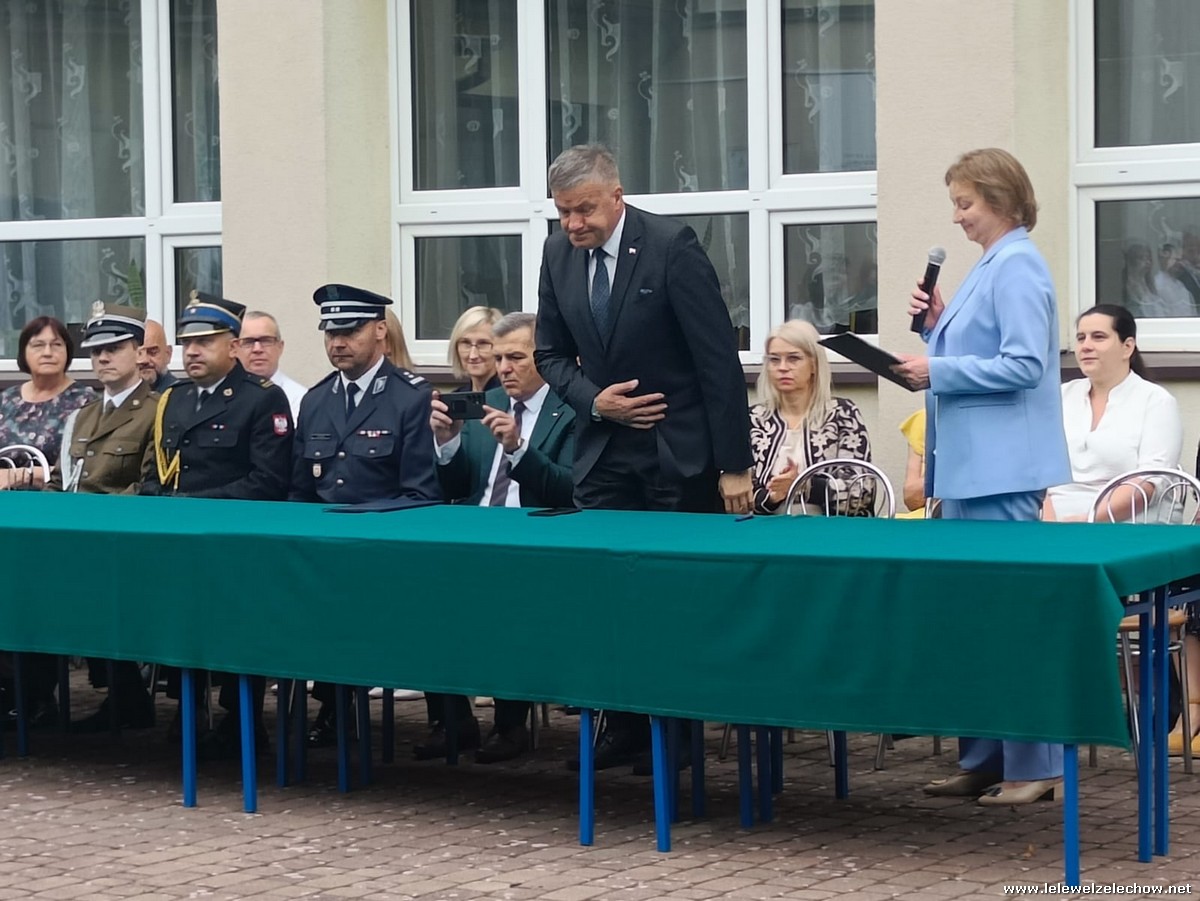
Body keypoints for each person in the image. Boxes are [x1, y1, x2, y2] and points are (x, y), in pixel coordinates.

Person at [534, 143, 753, 771]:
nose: (573, 224)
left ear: (616, 196)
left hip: (675, 452)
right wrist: (595, 401)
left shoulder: (670, 246)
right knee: (606, 589)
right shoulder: (557, 254)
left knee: (668, 594)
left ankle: (677, 733)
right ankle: (624, 724)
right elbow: (549, 354)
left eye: (584, 210)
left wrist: (733, 465)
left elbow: (717, 359)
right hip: (603, 453)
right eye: (563, 212)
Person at [897, 147, 1071, 806]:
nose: (958, 216)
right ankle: (985, 758)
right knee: (972, 621)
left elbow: (1025, 364)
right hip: (971, 470)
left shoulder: (1019, 264)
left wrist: (936, 368)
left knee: (1009, 620)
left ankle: (1034, 766)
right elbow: (984, 352)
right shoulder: (991, 265)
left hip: (1001, 471)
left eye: (965, 202)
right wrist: (938, 327)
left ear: (999, 199)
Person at [141, 292, 294, 758]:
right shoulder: (174, 399)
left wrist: (193, 506)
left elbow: (268, 481)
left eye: (204, 342)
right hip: (179, 542)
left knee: (235, 630)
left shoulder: (261, 399)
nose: (192, 352)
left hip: (234, 542)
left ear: (233, 346)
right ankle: (188, 708)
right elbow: (158, 472)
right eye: (187, 343)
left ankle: (240, 717)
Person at [290, 283, 441, 748]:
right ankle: (330, 708)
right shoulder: (316, 399)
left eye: (350, 331)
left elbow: (421, 492)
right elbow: (300, 490)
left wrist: (359, 526)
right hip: (324, 550)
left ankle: (346, 709)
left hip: (385, 547)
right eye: (330, 333)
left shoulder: (410, 396)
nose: (338, 342)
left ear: (379, 331)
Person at [424, 311, 576, 763]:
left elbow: (571, 489)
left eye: (516, 358)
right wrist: (447, 443)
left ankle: (510, 726)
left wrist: (519, 450)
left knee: (511, 600)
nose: (504, 368)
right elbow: (457, 487)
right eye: (499, 358)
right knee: (423, 592)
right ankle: (454, 721)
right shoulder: (486, 402)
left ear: (544, 359)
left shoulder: (569, 409)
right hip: (475, 536)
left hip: (537, 541)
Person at [45, 303, 159, 731]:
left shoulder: (157, 410)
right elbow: (62, 481)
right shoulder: (82, 416)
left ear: (139, 352)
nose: (103, 358)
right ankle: (29, 696)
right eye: (96, 351)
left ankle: (127, 695)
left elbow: (149, 484)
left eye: (114, 348)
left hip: (121, 541)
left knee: (88, 587)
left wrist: (93, 523)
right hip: (76, 541)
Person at [1044, 305, 1181, 523]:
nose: (1086, 346)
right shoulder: (1061, 396)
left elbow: (1149, 481)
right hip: (1055, 521)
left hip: (1126, 524)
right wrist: (1048, 521)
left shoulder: (1156, 401)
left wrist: (1088, 520)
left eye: (1098, 337)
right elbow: (1038, 470)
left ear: (1127, 347)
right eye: (1081, 338)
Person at [749, 319, 872, 516]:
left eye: (793, 358)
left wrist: (804, 486)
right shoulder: (755, 419)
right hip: (765, 528)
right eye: (774, 359)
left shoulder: (842, 414)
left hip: (830, 530)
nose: (782, 367)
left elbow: (861, 492)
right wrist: (773, 497)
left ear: (814, 364)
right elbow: (736, 493)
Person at [0, 316, 94, 490]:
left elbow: (88, 469)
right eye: (38, 345)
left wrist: (22, 475)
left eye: (56, 345)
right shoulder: (6, 400)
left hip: (55, 499)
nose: (48, 352)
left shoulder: (86, 403)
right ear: (23, 353)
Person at [236, 310, 307, 419]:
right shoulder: (221, 396)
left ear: (280, 347)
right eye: (248, 342)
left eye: (266, 341)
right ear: (235, 349)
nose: (257, 349)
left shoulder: (300, 399)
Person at [448, 306, 503, 393]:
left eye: (483, 343)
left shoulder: (512, 397)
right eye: (466, 343)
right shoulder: (456, 397)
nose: (473, 355)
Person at [138, 319, 178, 392]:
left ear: (168, 354)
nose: (145, 360)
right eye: (139, 353)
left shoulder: (181, 395)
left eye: (153, 352)